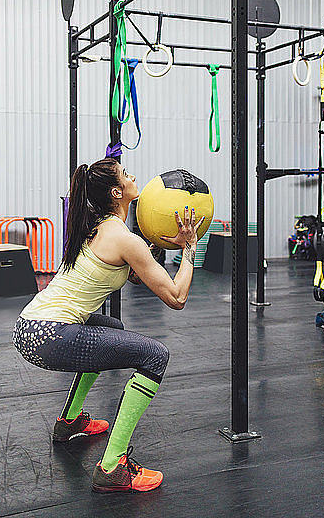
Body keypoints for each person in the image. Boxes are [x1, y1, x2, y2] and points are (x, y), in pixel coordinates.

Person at [12, 158, 204, 493]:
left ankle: (69, 422)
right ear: (118, 192)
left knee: (111, 326)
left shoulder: (99, 226)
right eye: (126, 175)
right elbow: (176, 296)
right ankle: (113, 465)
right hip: (49, 335)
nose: (134, 177)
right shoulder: (122, 237)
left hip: (30, 327)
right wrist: (189, 247)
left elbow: (135, 274)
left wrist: (156, 242)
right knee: (156, 355)